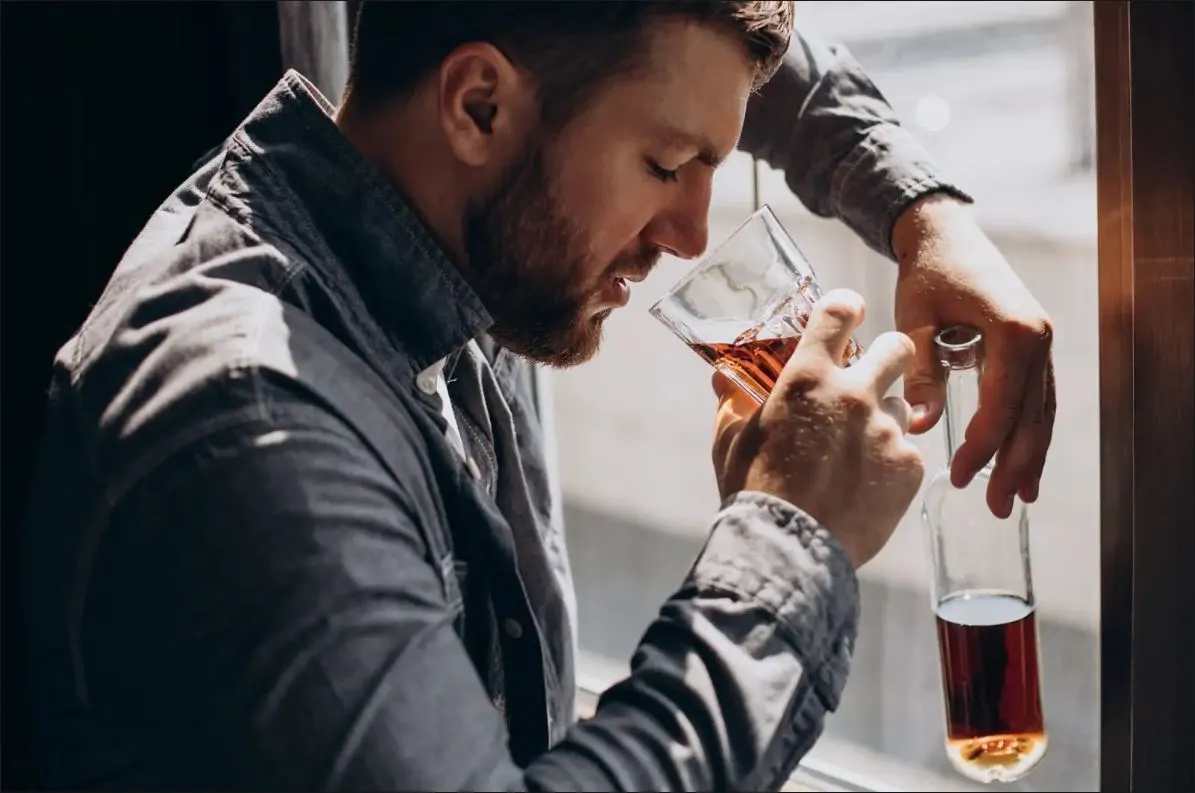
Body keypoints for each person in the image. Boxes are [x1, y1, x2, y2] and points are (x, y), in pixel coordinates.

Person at [19, 1, 1055, 790]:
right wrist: (788, 537)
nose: (692, 234)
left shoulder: (452, 231)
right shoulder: (252, 434)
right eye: (665, 165)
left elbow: (651, 51)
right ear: (478, 104)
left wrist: (920, 209)